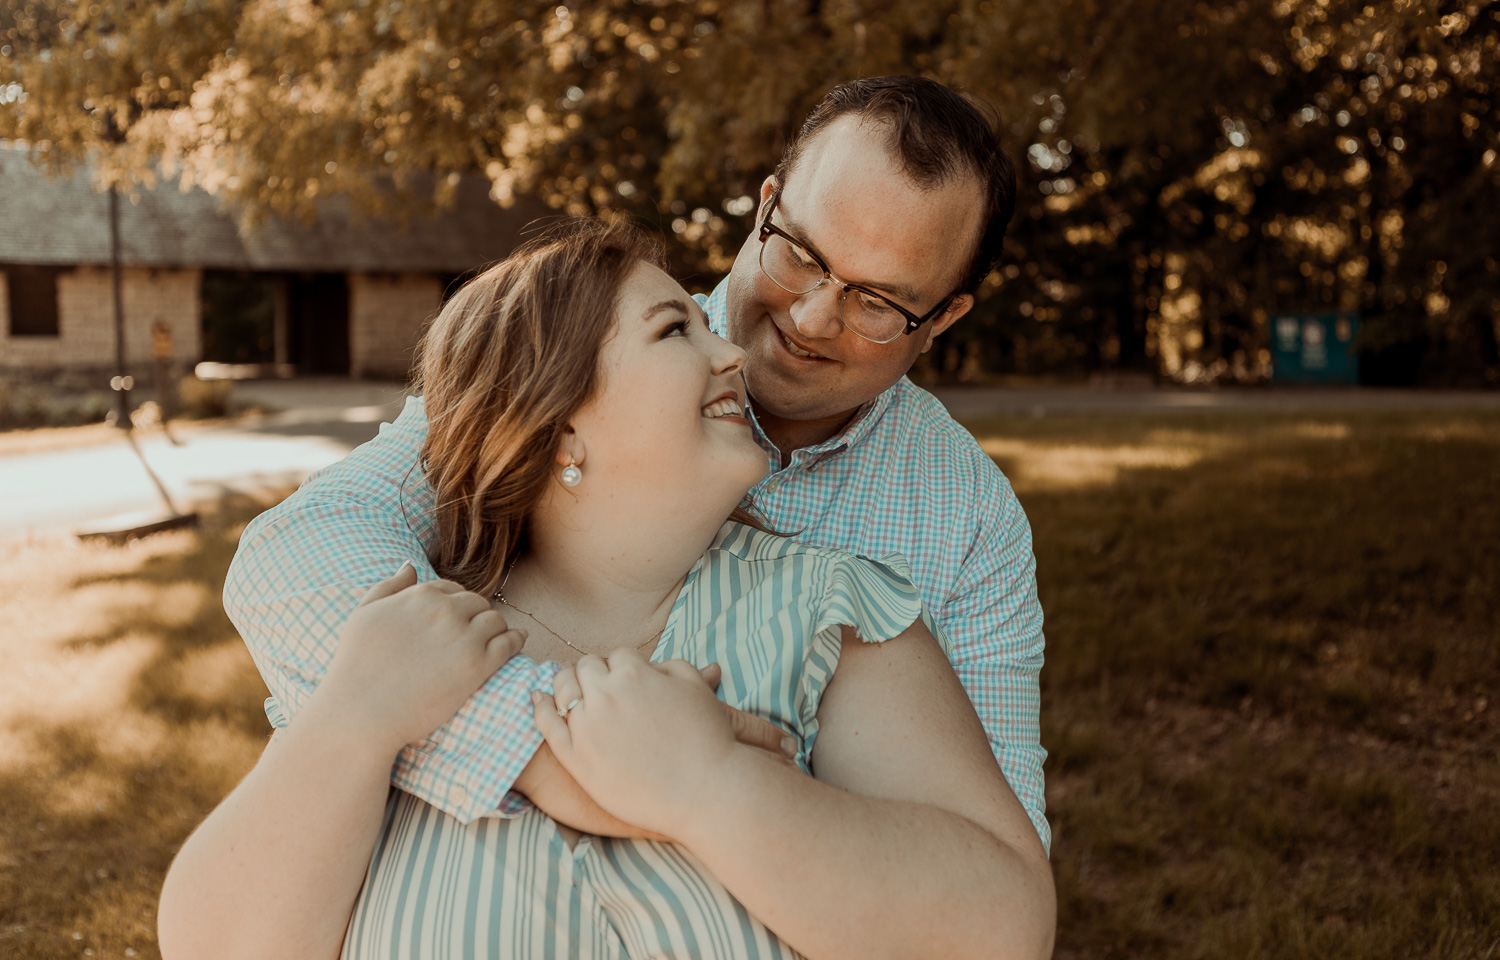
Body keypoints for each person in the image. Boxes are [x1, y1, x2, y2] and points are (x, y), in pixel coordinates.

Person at [158, 219, 1054, 959]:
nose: (732, 355)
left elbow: (1004, 929)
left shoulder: (832, 613)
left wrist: (712, 787)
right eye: (675, 331)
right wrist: (352, 724)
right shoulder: (411, 635)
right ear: (556, 427)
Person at [219, 75, 1051, 857]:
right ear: (767, 207)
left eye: (876, 301)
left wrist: (724, 800)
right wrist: (547, 751)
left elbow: (994, 850)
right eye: (799, 252)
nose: (809, 316)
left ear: (944, 318)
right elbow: (297, 555)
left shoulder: (967, 519)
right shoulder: (586, 342)